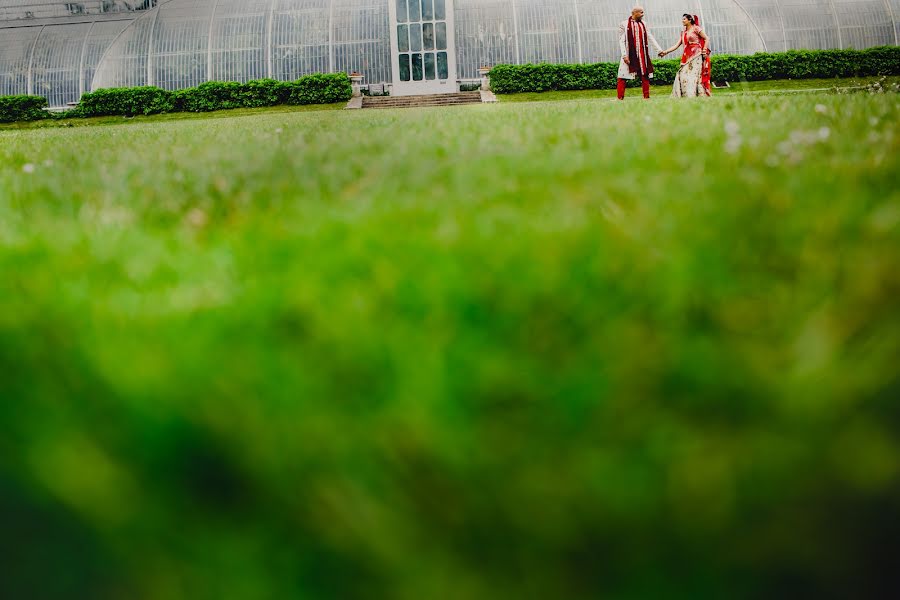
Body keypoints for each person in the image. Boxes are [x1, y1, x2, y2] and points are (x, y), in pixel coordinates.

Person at [617, 6, 664, 100]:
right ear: (634, 13)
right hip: (629, 55)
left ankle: (646, 97)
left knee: (645, 75)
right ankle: (620, 98)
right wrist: (624, 55)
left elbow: (650, 36)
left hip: (642, 55)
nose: (643, 14)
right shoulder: (624, 24)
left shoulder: (644, 24)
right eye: (641, 12)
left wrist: (659, 50)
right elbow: (621, 40)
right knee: (622, 76)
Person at [659, 14, 712, 97]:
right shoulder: (684, 32)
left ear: (690, 20)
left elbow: (707, 38)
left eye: (684, 19)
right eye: (682, 19)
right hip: (686, 57)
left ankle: (697, 94)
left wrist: (704, 50)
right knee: (682, 74)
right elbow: (676, 45)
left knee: (694, 76)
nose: (682, 21)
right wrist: (665, 52)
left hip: (696, 55)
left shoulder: (696, 28)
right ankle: (686, 94)